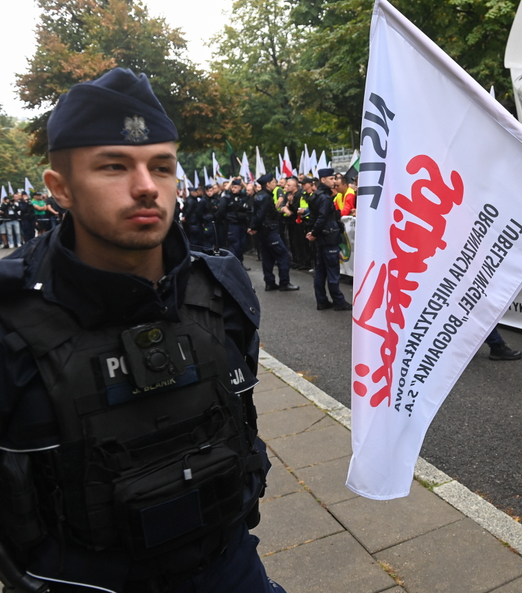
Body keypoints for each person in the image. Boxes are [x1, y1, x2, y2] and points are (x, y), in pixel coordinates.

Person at [0, 68, 283, 592]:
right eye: (113, 166)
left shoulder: (221, 287)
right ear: (59, 188)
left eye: (162, 165)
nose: (146, 187)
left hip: (230, 567)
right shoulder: (9, 321)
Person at [306, 169, 351, 310]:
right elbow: (322, 217)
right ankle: (338, 301)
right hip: (328, 237)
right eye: (331, 178)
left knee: (321, 271)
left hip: (322, 237)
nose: (335, 181)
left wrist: (313, 232)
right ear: (323, 180)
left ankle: (322, 300)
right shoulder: (324, 198)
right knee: (332, 271)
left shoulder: (316, 195)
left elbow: (315, 217)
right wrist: (314, 232)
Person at [249, 173, 299, 292]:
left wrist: (253, 226)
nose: (275, 184)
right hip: (269, 230)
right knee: (283, 255)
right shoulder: (266, 197)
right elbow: (261, 215)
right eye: (273, 182)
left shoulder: (258, 196)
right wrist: (254, 227)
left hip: (263, 231)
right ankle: (284, 283)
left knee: (267, 257)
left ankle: (270, 282)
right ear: (267, 184)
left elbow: (254, 213)